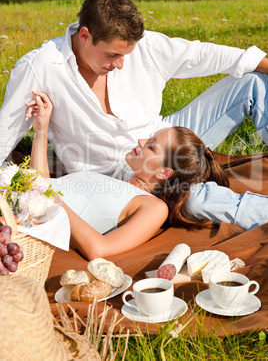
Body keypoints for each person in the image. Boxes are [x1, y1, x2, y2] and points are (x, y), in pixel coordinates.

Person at [0, 0, 268, 180]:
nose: (120, 65)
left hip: (160, 138)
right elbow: (4, 136)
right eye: (113, 55)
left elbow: (202, 54)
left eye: (126, 55)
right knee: (190, 196)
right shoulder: (41, 67)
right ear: (85, 35)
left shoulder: (144, 46)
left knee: (253, 83)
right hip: (114, 176)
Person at [29, 91, 268, 260]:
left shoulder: (153, 208)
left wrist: (52, 199)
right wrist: (41, 129)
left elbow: (98, 249)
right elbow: (43, 183)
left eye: (151, 145)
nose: (141, 141)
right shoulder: (116, 181)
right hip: (25, 203)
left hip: (26, 222)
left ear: (164, 172)